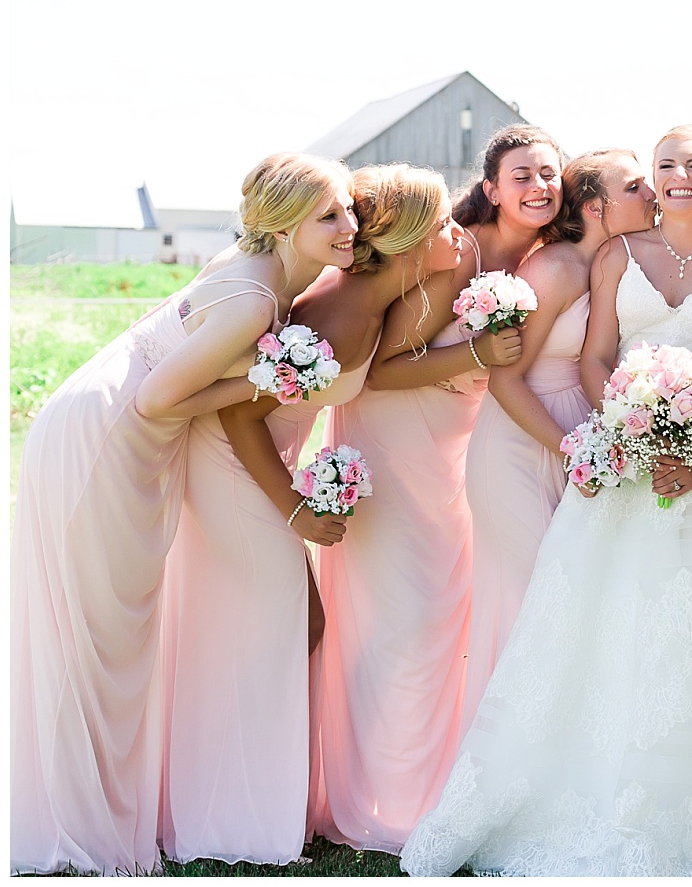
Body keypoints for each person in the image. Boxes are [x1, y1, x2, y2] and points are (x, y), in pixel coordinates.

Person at [400, 125, 692, 876]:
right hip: (625, 451)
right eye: (665, 165)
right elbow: (596, 354)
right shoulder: (617, 255)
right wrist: (634, 434)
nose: (679, 176)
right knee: (599, 616)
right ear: (654, 177)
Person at [10, 151, 356, 875]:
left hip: (115, 435)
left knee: (112, 637)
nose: (349, 225)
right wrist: (269, 377)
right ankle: (72, 825)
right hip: (107, 440)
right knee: (101, 639)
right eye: (331, 215)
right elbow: (156, 401)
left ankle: (94, 804)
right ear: (286, 225)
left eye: (349, 209)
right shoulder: (257, 301)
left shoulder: (266, 272)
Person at [156, 163, 461, 866]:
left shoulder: (373, 300)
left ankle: (250, 802)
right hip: (240, 467)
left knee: (292, 627)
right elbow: (240, 413)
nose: (455, 236)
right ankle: (232, 814)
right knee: (290, 625)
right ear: (410, 238)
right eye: (443, 224)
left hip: (265, 462)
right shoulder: (344, 316)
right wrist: (294, 509)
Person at [308, 125, 565, 853]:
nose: (539, 186)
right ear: (491, 186)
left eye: (550, 173)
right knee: (406, 622)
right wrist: (476, 352)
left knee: (443, 624)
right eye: (523, 174)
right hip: (396, 441)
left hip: (455, 451)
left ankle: (425, 788)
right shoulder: (454, 253)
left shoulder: (541, 261)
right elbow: (382, 369)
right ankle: (374, 802)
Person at [459, 148, 658, 733]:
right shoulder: (554, 269)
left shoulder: (612, 265)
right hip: (522, 441)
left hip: (578, 432)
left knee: (576, 602)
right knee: (531, 601)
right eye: (637, 186)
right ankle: (496, 759)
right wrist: (571, 447)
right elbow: (503, 376)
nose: (651, 194)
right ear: (598, 206)